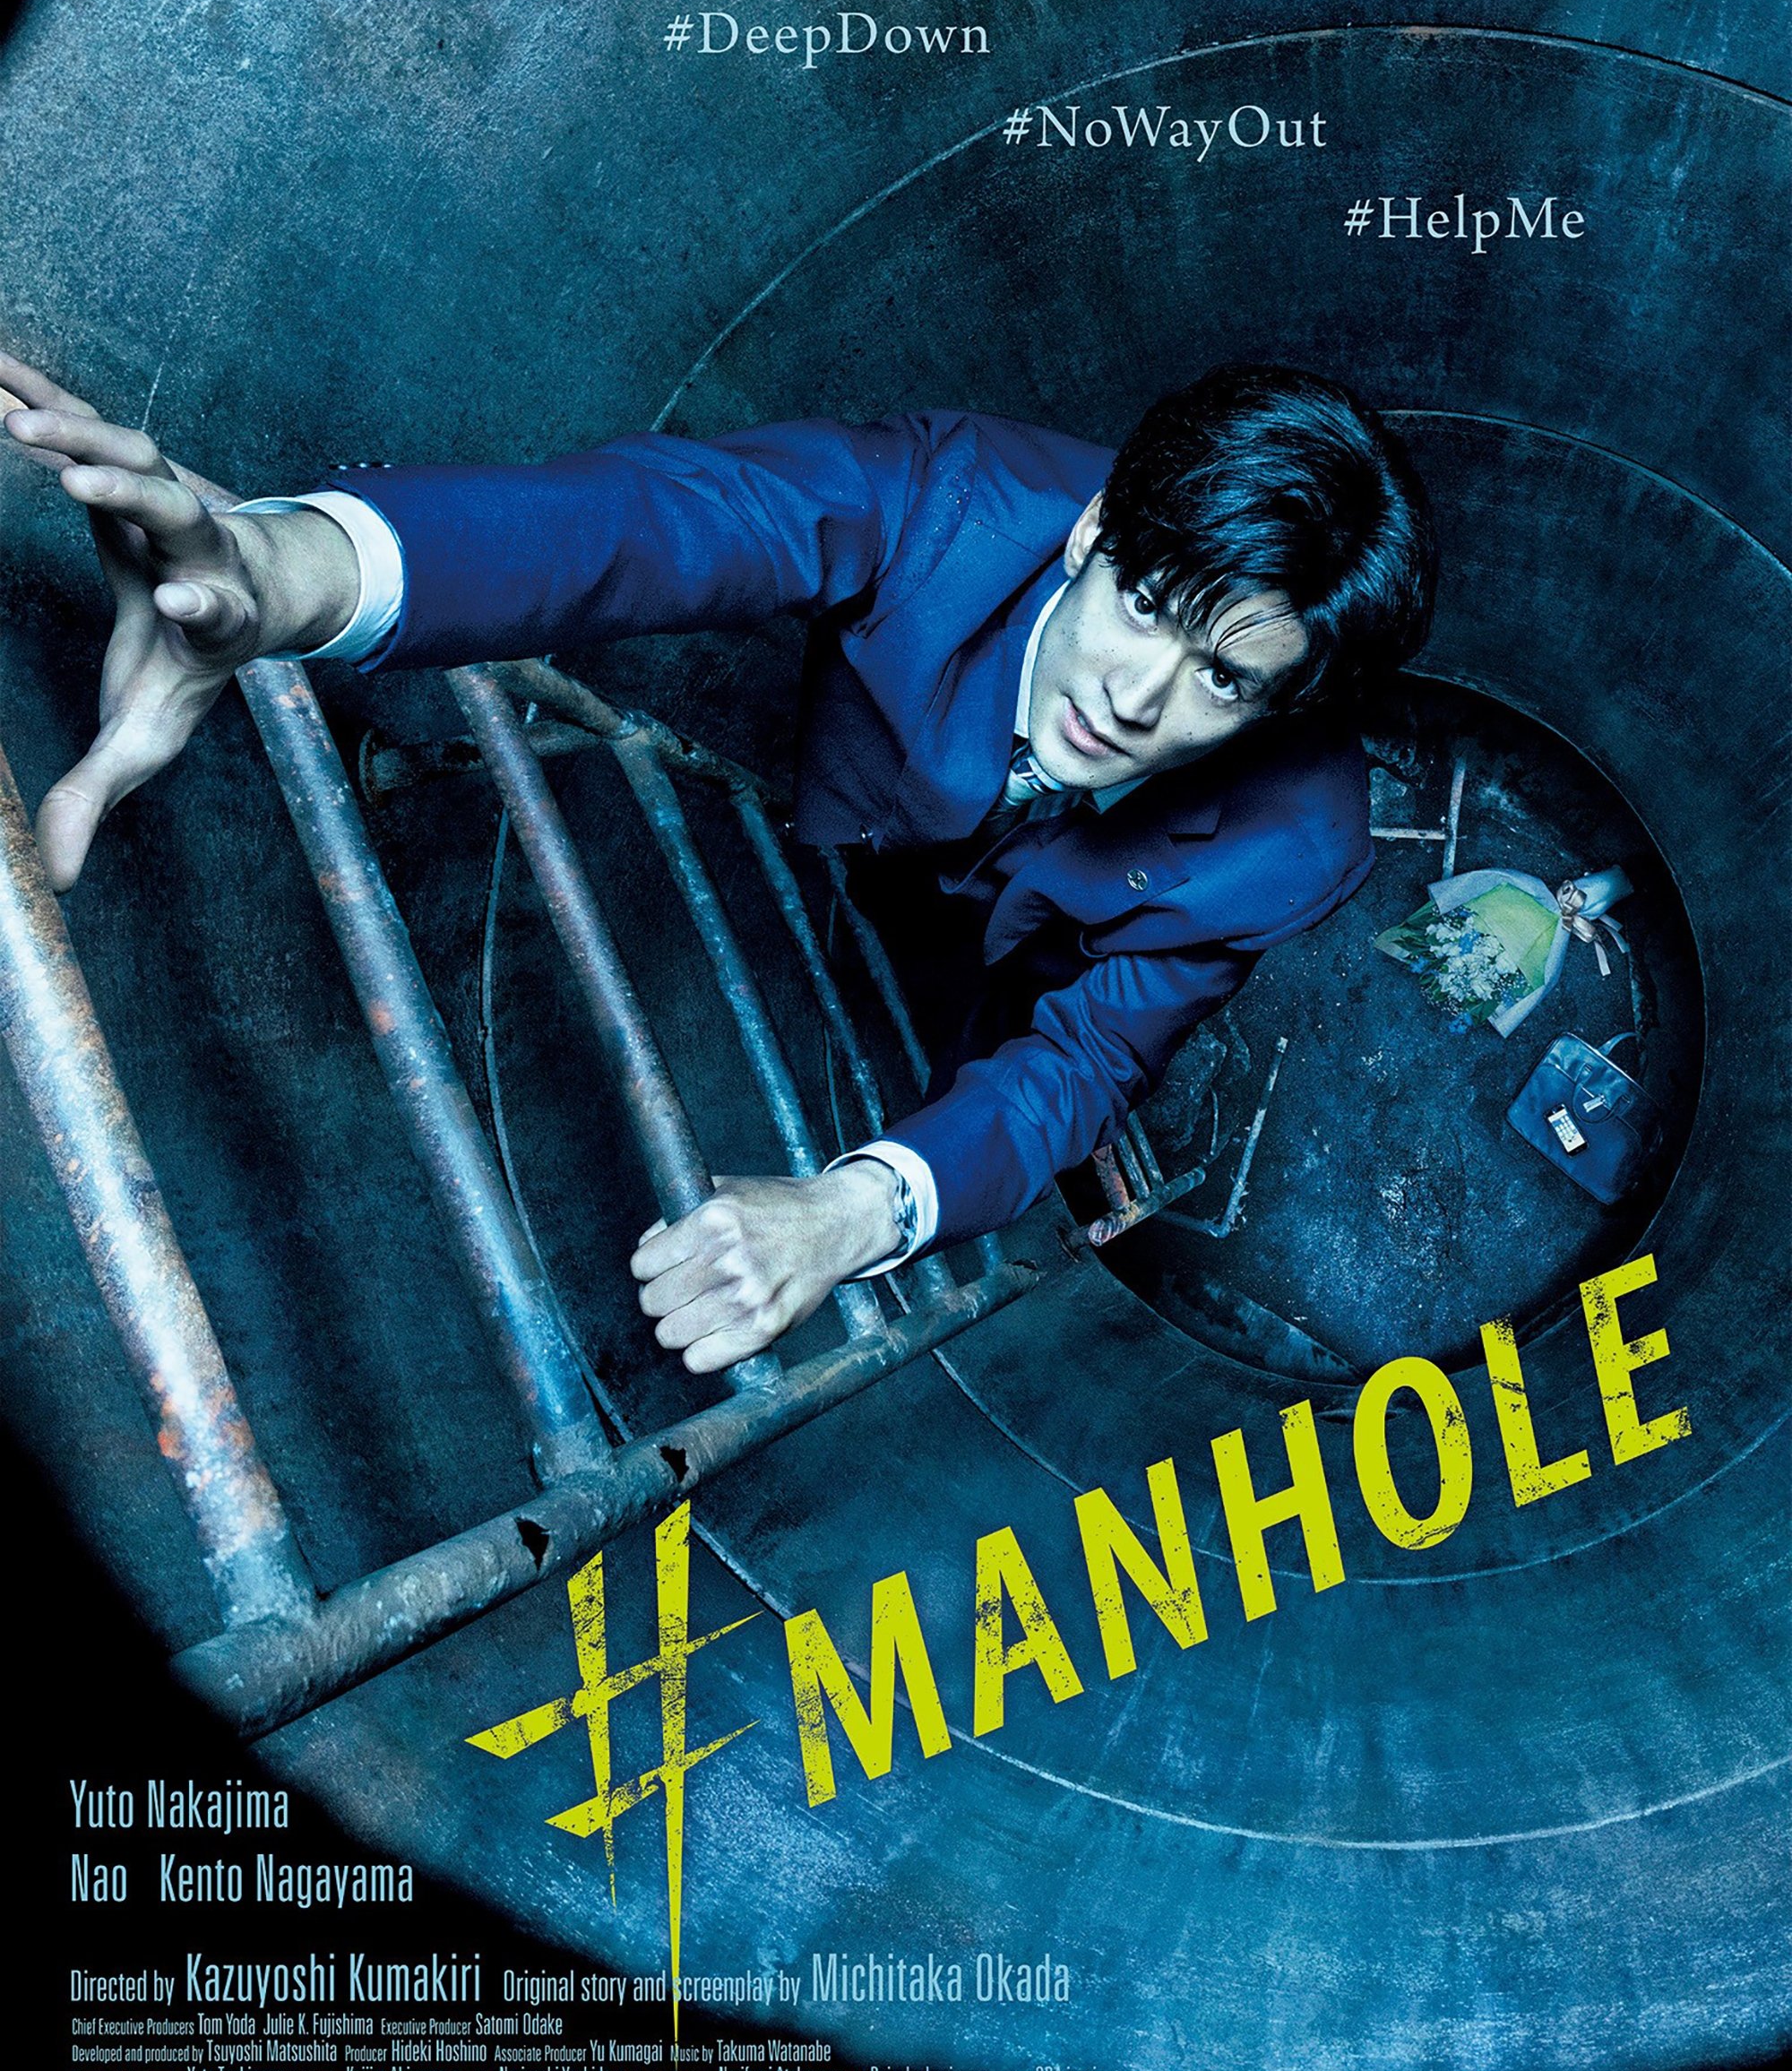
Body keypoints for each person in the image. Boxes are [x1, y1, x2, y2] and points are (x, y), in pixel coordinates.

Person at [0, 352, 1434, 1376]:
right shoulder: (944, 500)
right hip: (873, 823)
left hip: (1046, 930)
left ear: (1282, 709)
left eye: (1222, 681)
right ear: (1094, 529)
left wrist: (852, 1211)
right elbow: (644, 526)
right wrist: (285, 575)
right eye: (1146, 602)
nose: (1133, 696)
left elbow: (1088, 1062)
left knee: (992, 1030)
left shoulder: (1297, 843)